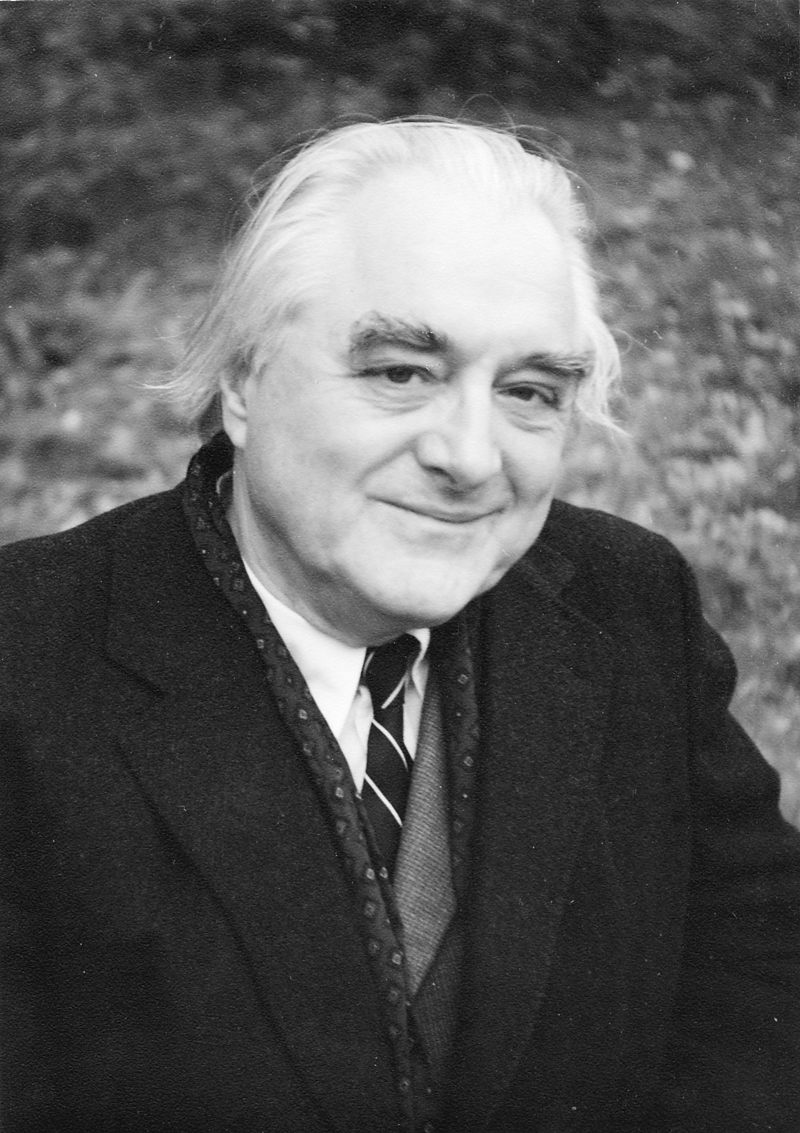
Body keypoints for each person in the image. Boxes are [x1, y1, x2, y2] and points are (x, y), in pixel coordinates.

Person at [1, 119, 798, 1133]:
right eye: (400, 372)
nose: (469, 455)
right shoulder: (25, 658)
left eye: (528, 392)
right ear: (243, 380)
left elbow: (763, 973)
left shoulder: (627, 603)